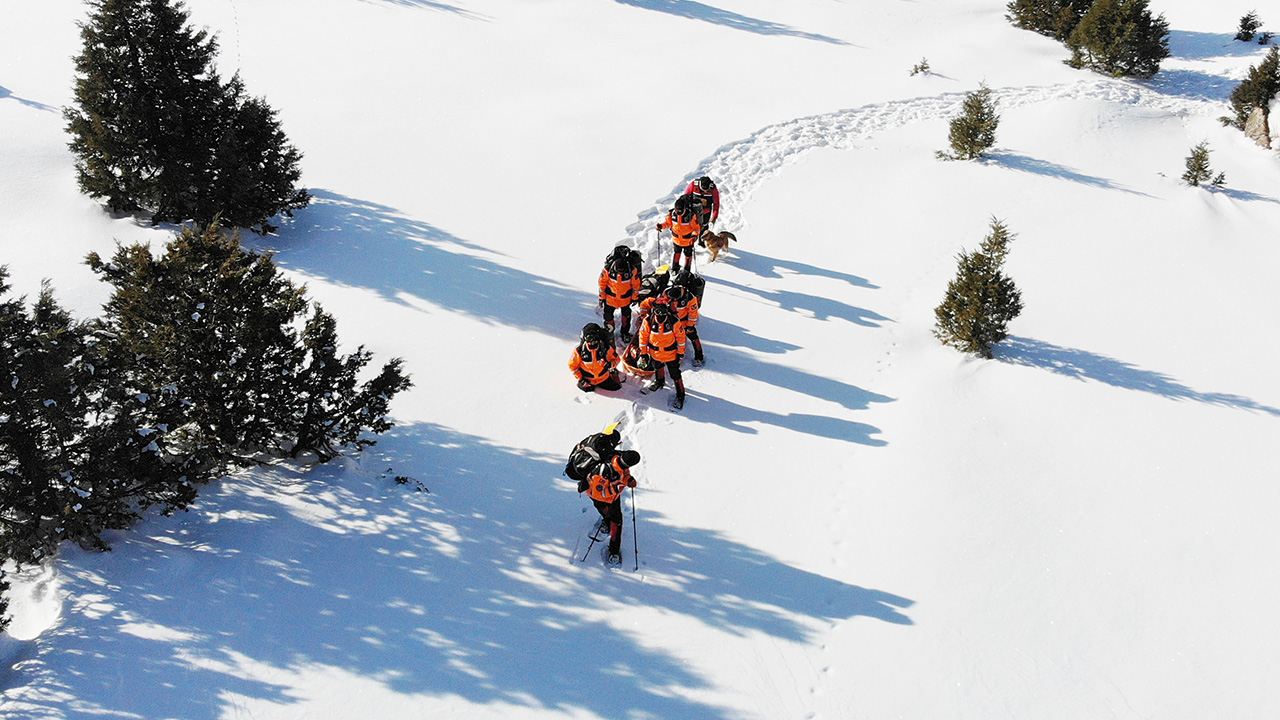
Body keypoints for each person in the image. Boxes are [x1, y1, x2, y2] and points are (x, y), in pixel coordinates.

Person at [584, 449, 641, 565]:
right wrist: (617, 488)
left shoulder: (619, 458)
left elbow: (624, 474)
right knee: (607, 513)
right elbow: (599, 493)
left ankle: (614, 550)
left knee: (616, 520)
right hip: (597, 496)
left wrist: (628, 479)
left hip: (613, 498)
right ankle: (607, 521)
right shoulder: (604, 471)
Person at [638, 301, 687, 409]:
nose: (660, 314)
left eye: (663, 312)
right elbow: (643, 337)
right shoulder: (648, 321)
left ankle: (680, 394)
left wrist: (680, 352)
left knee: (675, 374)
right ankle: (659, 382)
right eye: (657, 311)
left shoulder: (674, 322)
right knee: (657, 367)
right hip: (655, 353)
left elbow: (681, 337)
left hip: (671, 354)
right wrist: (643, 353)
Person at [598, 248, 641, 342]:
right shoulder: (608, 270)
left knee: (626, 318)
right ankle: (609, 332)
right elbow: (602, 284)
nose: (620, 274)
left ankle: (624, 333)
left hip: (625, 300)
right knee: (608, 317)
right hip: (610, 299)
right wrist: (601, 298)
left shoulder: (632, 271)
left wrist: (635, 298)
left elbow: (636, 285)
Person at [655, 195, 703, 275]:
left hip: (688, 240)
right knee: (677, 253)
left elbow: (696, 228)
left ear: (684, 209)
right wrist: (661, 226)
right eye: (677, 210)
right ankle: (675, 268)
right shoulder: (672, 214)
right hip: (676, 240)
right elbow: (668, 223)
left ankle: (687, 270)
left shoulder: (691, 216)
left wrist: (695, 235)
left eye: (680, 210)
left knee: (688, 255)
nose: (678, 212)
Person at [568, 323, 622, 392]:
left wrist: (611, 365)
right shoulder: (579, 351)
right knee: (588, 390)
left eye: (594, 339)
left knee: (616, 387)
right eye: (589, 339)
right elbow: (572, 366)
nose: (592, 342)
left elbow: (617, 359)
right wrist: (581, 380)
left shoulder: (606, 349)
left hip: (603, 378)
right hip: (588, 379)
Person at [661, 282, 705, 367]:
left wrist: (690, 326)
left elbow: (693, 314)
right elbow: (662, 302)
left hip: (684, 323)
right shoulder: (667, 293)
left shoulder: (690, 298)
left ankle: (699, 357)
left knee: (694, 338)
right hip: (672, 322)